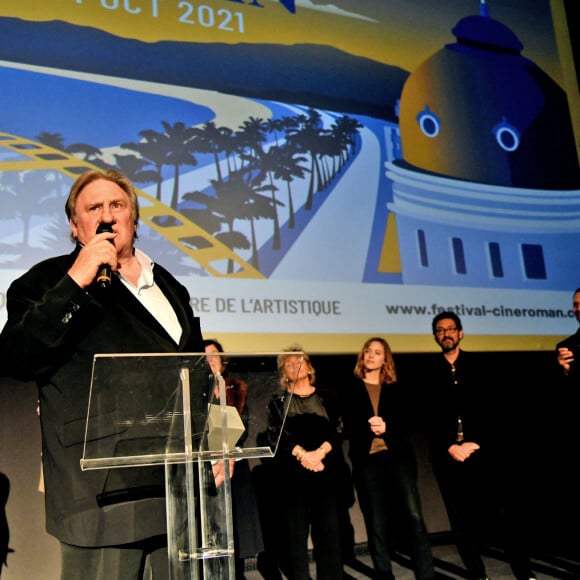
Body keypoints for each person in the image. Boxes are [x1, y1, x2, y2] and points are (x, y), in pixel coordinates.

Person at [0, 169, 207, 580]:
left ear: (134, 218)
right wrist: (78, 278)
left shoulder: (168, 284)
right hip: (101, 493)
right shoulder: (45, 281)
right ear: (76, 227)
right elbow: (18, 356)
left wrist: (208, 447)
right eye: (94, 208)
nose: (107, 216)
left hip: (175, 486)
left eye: (118, 205)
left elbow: (195, 370)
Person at [418, 311, 536, 580]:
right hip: (449, 457)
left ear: (460, 333)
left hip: (483, 453)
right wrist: (450, 446)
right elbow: (427, 417)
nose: (445, 333)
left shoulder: (481, 366)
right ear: (435, 336)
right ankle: (478, 575)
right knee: (460, 522)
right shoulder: (427, 373)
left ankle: (525, 573)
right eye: (440, 330)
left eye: (450, 329)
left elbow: (495, 410)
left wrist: (477, 441)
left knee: (503, 516)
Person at [341, 337, 434, 580]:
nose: (371, 355)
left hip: (398, 459)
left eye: (377, 352)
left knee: (414, 516)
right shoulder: (351, 389)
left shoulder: (397, 388)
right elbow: (346, 427)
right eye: (368, 351)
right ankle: (384, 575)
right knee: (376, 521)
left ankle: (426, 575)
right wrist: (367, 426)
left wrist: (387, 427)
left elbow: (410, 424)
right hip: (367, 461)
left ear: (385, 359)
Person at [259, 345, 347, 580]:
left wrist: (319, 454)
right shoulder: (278, 402)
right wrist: (303, 455)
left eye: (299, 361)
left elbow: (339, 428)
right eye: (288, 364)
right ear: (283, 373)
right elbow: (275, 435)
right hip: (293, 477)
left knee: (329, 534)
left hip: (325, 470)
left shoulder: (327, 396)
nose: (295, 366)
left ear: (309, 367)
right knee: (296, 538)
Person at [203, 338, 264, 579]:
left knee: (235, 529)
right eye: (205, 356)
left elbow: (243, 427)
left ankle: (236, 573)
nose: (211, 360)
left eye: (214, 355)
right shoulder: (194, 391)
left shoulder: (236, 388)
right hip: (207, 467)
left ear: (223, 360)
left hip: (233, 466)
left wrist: (226, 454)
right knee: (213, 528)